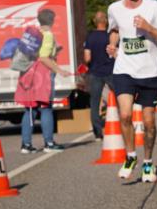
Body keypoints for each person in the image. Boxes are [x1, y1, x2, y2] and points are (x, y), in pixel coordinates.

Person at [106, 0, 157, 183]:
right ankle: (130, 156)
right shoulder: (114, 8)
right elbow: (115, 29)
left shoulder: (154, 7)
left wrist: (148, 27)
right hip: (124, 69)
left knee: (149, 122)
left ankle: (148, 162)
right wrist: (113, 44)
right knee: (125, 115)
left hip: (150, 71)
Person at [16, 8, 73, 153]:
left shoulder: (32, 33)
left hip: (27, 73)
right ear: (52, 20)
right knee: (46, 107)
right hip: (41, 74)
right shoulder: (48, 35)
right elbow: (44, 57)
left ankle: (26, 145)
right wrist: (59, 71)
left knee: (30, 108)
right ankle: (49, 143)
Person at [83, 10, 115, 140]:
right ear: (106, 21)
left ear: (95, 22)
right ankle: (123, 124)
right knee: (121, 98)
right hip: (111, 71)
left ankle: (98, 133)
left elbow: (87, 58)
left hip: (95, 73)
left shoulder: (90, 37)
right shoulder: (111, 36)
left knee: (95, 103)